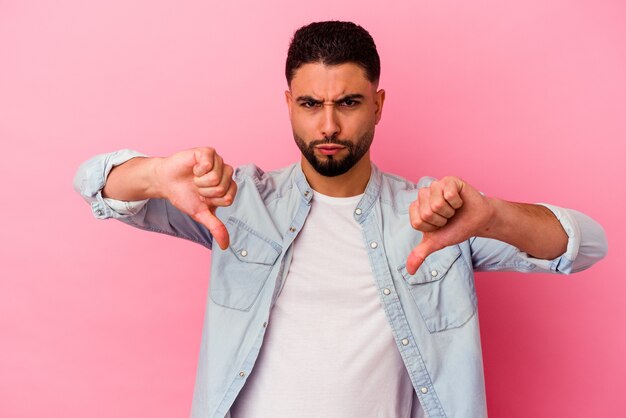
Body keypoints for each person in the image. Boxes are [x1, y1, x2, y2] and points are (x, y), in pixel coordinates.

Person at [74, 21, 607, 418]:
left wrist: (494, 216)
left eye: (349, 102)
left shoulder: (436, 216)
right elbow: (94, 182)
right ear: (288, 104)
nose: (328, 124)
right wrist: (155, 174)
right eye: (310, 103)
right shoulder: (238, 202)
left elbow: (588, 245)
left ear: (378, 105)